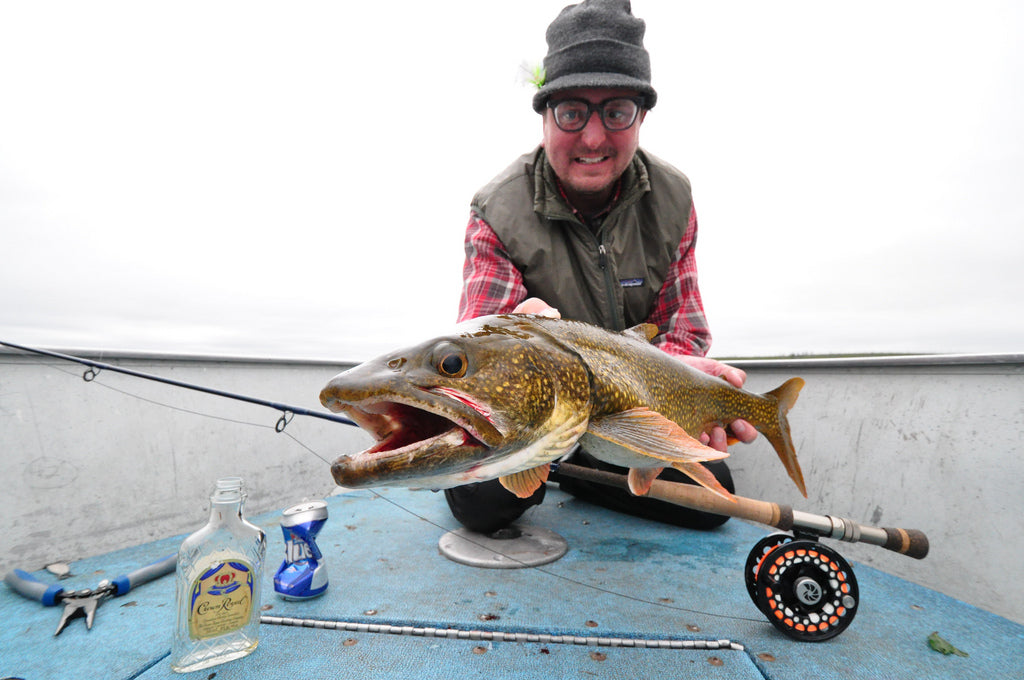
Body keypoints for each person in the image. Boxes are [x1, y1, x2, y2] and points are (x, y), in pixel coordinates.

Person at [445, 0, 756, 534]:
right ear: (544, 116)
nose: (593, 137)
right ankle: (579, 464)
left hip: (630, 416)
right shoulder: (495, 210)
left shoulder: (674, 200)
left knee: (716, 500)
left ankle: (587, 467)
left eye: (615, 111)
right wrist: (521, 321)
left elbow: (684, 329)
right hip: (531, 417)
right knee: (478, 505)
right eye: (571, 112)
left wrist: (669, 399)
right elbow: (484, 341)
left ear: (641, 115)